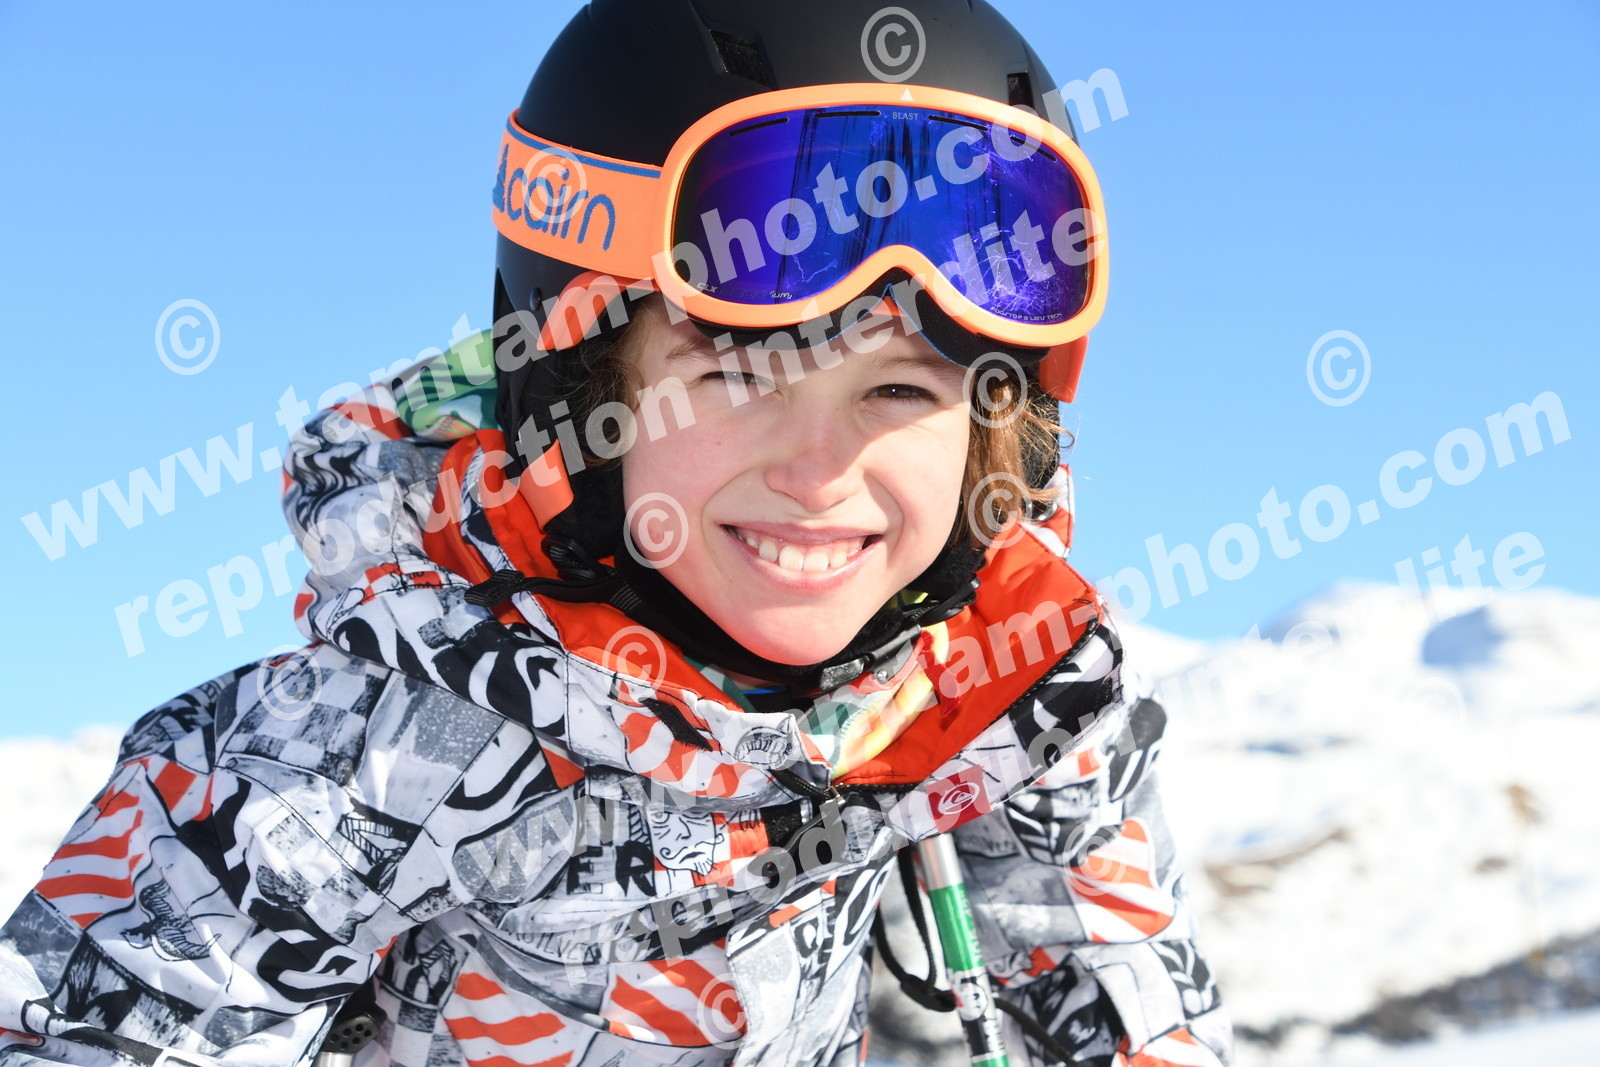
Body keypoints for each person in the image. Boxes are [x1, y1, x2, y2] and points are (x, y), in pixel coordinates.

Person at [0, 2, 1233, 1065]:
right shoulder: (350, 748)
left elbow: (1122, 989)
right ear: (578, 393)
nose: (820, 471)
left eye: (899, 389)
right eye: (739, 374)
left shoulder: (998, 685)